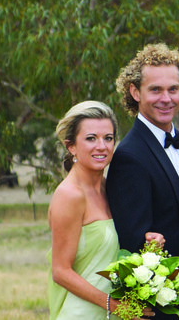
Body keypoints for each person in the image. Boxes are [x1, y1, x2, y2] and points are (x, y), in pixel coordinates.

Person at [107, 43, 179, 320]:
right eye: (155, 90)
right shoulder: (129, 156)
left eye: (173, 89)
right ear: (135, 92)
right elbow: (134, 244)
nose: (166, 98)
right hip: (160, 307)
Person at [48, 101, 163, 320]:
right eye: (91, 138)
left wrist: (149, 247)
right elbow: (61, 272)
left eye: (108, 138)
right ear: (71, 146)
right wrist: (115, 306)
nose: (102, 146)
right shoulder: (70, 196)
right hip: (84, 313)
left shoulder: (108, 187)